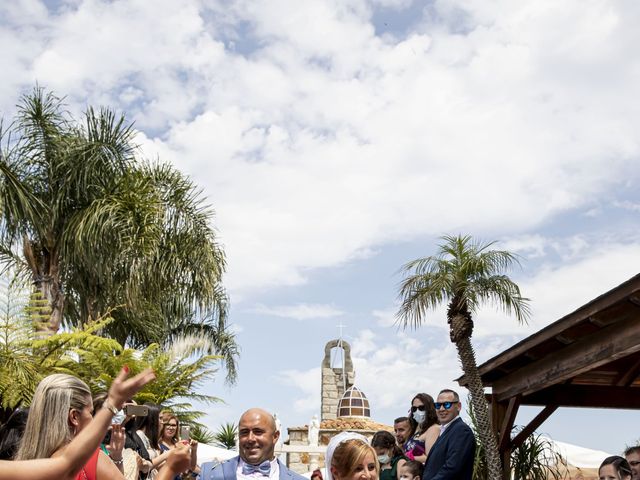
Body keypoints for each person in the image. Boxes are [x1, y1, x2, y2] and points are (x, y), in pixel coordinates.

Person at [0, 367, 154, 480]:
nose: (93, 419)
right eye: (91, 412)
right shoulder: (92, 459)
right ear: (74, 417)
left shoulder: (18, 465)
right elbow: (67, 466)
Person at [199, 408, 306, 480]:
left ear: (275, 436)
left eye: (258, 432)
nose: (250, 439)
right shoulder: (209, 474)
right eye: (244, 432)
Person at [422, 389, 475, 480]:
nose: (441, 409)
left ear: (458, 406)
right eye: (438, 405)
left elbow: (452, 467)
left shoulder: (461, 430)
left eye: (447, 404)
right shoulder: (445, 430)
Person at [405, 394, 439, 462]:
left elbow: (430, 458)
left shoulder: (434, 428)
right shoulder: (417, 429)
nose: (417, 411)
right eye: (414, 409)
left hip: (422, 471)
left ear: (430, 408)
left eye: (421, 408)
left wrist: (409, 457)